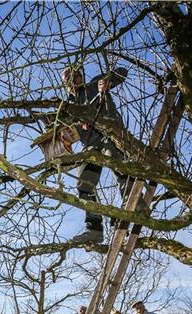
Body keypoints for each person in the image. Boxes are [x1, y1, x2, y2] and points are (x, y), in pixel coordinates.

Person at [61, 65, 142, 245]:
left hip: (110, 134)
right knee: (84, 184)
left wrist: (107, 82)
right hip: (91, 145)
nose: (75, 79)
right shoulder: (68, 106)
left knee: (117, 164)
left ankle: (134, 204)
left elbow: (122, 72)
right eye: (70, 78)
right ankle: (94, 229)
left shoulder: (93, 85)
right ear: (66, 83)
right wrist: (66, 133)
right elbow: (63, 127)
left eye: (77, 75)